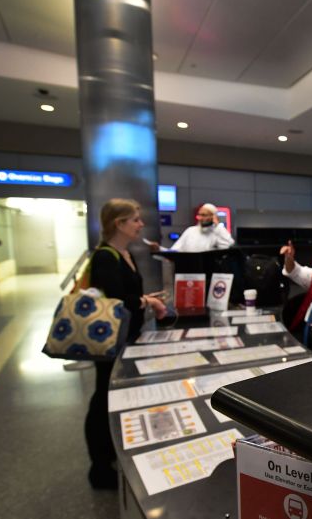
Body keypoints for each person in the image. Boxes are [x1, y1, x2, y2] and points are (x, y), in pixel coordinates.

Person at [86, 198, 167, 489]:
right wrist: (147, 301)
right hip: (111, 340)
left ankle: (112, 452)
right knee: (102, 398)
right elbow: (117, 301)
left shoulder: (125, 253)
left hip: (127, 335)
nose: (141, 223)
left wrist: (145, 299)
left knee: (114, 394)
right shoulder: (106, 256)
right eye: (135, 219)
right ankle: (99, 466)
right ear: (118, 223)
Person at [169, 203, 234, 252]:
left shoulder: (217, 231)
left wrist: (217, 226)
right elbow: (174, 251)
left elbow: (228, 245)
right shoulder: (190, 230)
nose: (200, 218)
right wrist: (160, 249)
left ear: (213, 216)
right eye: (199, 215)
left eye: (204, 215)